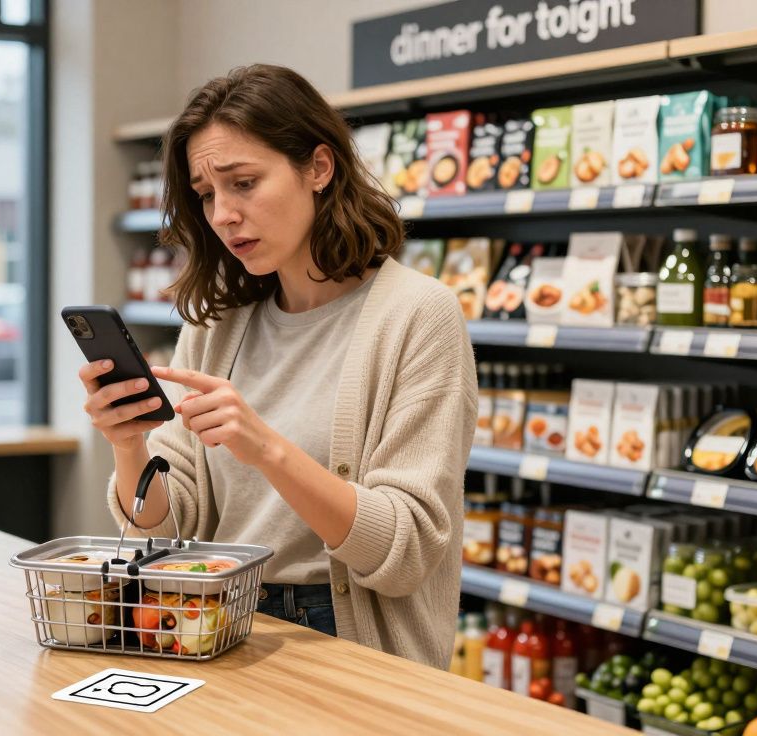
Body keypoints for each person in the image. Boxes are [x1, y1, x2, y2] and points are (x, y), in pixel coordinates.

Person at [78, 64, 476, 668]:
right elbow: (160, 539)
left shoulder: (419, 316)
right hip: (217, 621)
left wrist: (267, 447)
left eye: (243, 183)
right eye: (206, 194)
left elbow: (407, 550)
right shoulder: (217, 327)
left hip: (351, 638)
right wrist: (130, 445)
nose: (222, 215)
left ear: (319, 168)